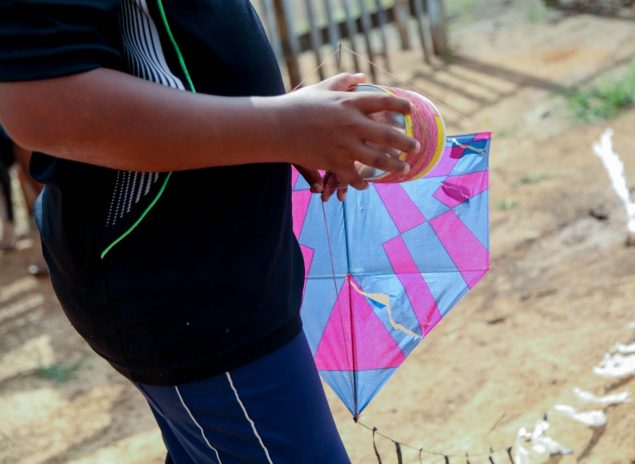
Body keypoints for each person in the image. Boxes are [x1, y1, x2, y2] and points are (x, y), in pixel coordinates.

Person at [0, 1, 417, 462]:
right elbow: (44, 105)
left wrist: (290, 122)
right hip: (190, 284)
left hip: (223, 272)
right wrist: (284, 126)